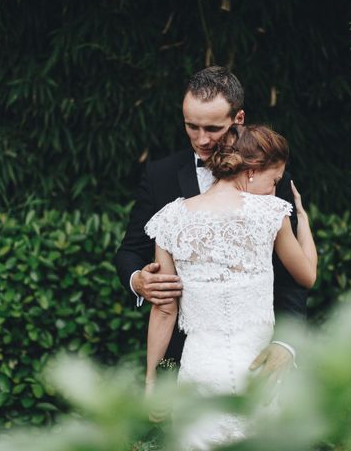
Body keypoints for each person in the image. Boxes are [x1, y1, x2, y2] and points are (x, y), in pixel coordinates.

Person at [114, 66, 307, 378]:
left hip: (260, 350)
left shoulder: (269, 173)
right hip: (177, 356)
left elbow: (292, 271)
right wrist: (138, 280)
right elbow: (129, 251)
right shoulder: (160, 175)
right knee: (169, 427)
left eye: (213, 128)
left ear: (238, 120)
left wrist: (286, 343)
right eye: (192, 127)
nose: (201, 139)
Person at [144, 124, 317, 449]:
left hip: (199, 371)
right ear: (251, 171)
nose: (273, 190)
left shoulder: (170, 219)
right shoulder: (271, 213)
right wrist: (303, 223)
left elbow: (165, 309)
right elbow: (307, 275)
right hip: (258, 367)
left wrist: (153, 382)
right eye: (274, 181)